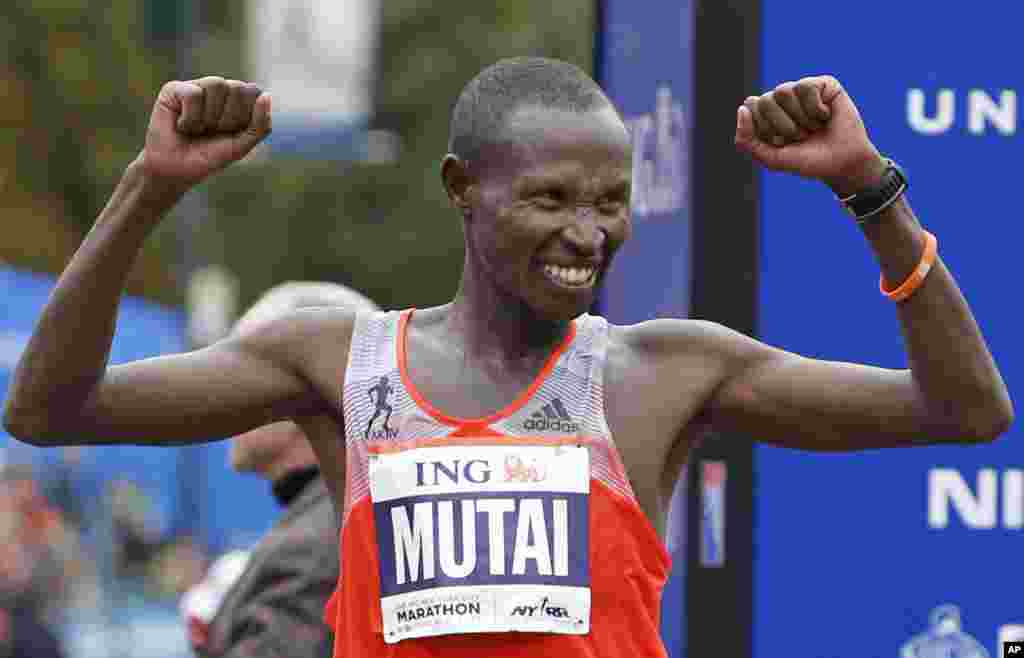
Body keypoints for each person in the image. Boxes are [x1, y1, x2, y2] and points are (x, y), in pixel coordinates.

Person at [2, 57, 1012, 658]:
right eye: (550, 199)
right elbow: (48, 407)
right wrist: (148, 187)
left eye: (610, 201)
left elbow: (966, 408)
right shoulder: (336, 361)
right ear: (461, 188)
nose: (588, 232)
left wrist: (871, 190)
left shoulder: (659, 372)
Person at [180, 281, 379, 658]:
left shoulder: (313, 549)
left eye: (239, 373)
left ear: (304, 390)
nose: (222, 395)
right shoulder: (342, 518)